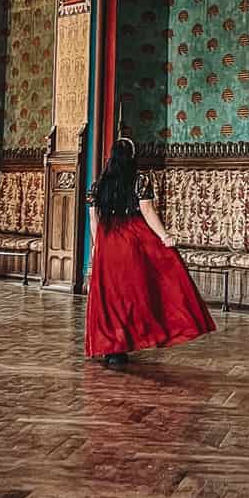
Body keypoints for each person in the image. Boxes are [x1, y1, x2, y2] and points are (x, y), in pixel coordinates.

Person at [85, 137, 215, 368]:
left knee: (110, 297)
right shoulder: (139, 180)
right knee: (136, 294)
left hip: (107, 241)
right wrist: (164, 236)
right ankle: (135, 338)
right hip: (131, 240)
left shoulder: (98, 184)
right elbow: (146, 210)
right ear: (133, 158)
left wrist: (97, 247)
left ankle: (112, 348)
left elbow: (94, 220)